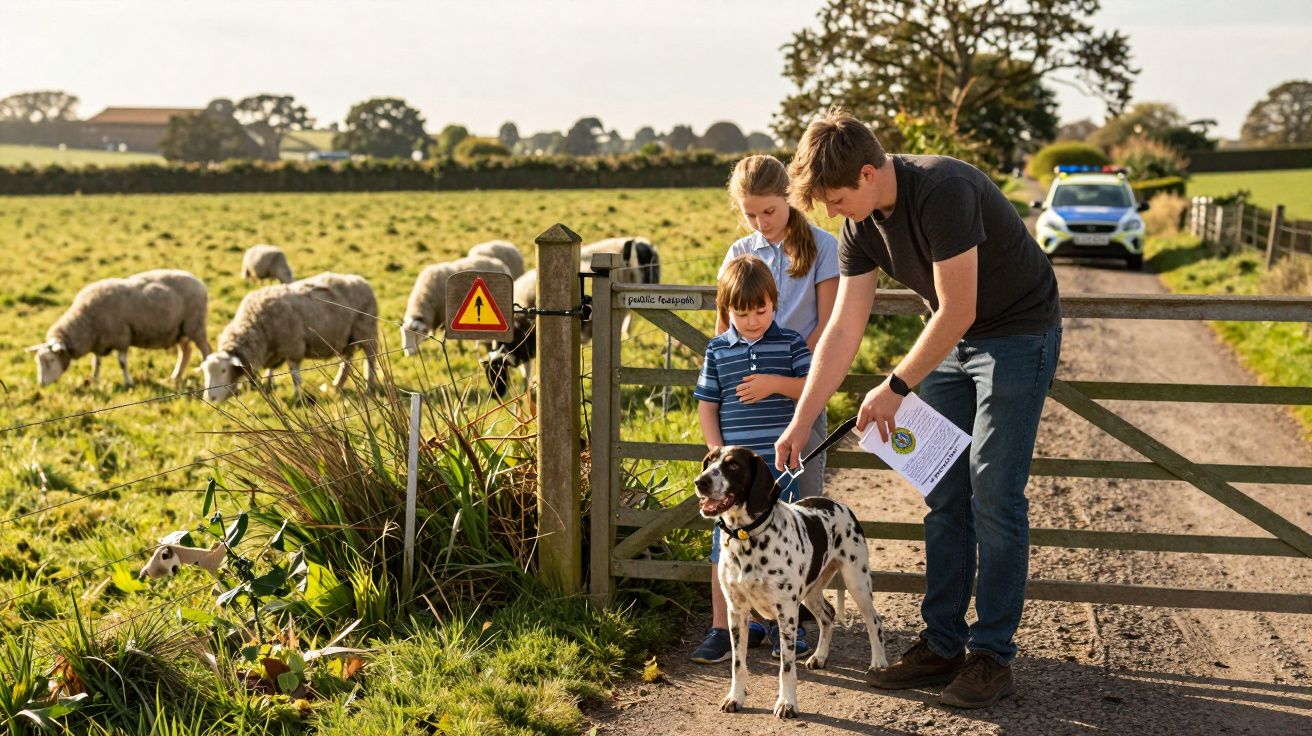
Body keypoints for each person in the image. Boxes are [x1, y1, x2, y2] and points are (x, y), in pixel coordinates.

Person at [774, 109, 1062, 709]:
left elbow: (959, 306)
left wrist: (895, 385)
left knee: (993, 490)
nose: (830, 212)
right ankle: (942, 643)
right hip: (953, 339)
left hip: (1016, 332)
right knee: (943, 490)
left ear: (870, 172)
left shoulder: (945, 190)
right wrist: (802, 419)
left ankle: (992, 657)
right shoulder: (861, 225)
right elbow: (844, 328)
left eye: (834, 197)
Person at [688, 256, 814, 664]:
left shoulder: (791, 343)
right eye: (742, 313)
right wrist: (716, 458)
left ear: (774, 303)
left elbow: (809, 389)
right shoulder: (717, 350)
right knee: (723, 548)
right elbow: (708, 403)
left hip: (779, 465)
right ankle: (723, 627)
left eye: (761, 310)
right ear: (727, 311)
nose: (753, 319)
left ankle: (783, 627)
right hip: (732, 476)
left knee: (782, 547)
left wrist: (775, 384)